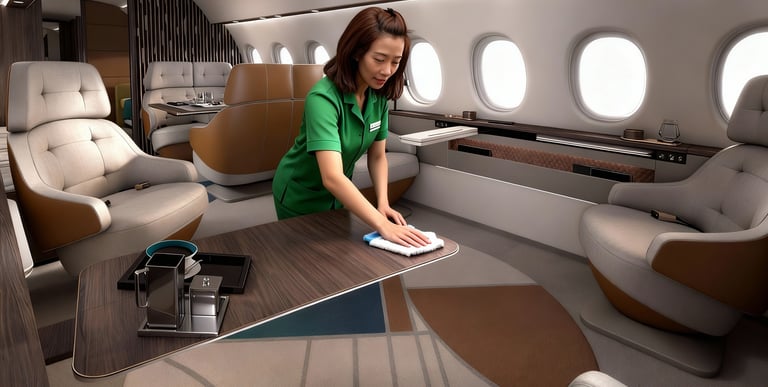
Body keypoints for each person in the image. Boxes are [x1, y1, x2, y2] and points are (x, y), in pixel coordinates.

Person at [272, 7, 430, 248]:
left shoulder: (378, 97)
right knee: (305, 261)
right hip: (300, 194)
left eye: (395, 62)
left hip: (339, 195)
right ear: (356, 52)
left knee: (340, 256)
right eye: (379, 59)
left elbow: (377, 157)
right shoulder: (322, 98)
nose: (387, 71)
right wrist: (382, 224)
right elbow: (332, 176)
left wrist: (383, 203)